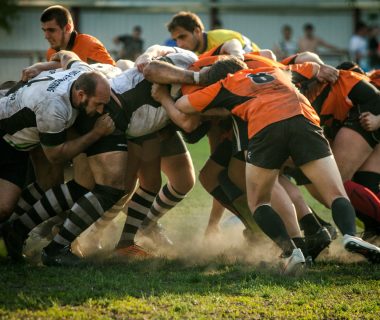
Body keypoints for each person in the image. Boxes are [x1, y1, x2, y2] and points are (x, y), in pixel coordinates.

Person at [155, 56, 380, 270]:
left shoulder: (224, 85)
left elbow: (184, 107)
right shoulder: (273, 69)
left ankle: (292, 252)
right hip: (304, 121)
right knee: (336, 193)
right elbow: (312, 68)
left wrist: (165, 98)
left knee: (259, 202)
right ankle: (350, 235)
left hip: (265, 129)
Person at [41, 5, 115, 65]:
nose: (46, 36)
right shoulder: (51, 53)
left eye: (52, 30)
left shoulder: (89, 46)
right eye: (44, 30)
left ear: (67, 28)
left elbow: (112, 73)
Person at [166, 11, 260, 57]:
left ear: (197, 31)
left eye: (182, 37)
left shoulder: (224, 39)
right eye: (175, 40)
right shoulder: (194, 53)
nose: (179, 44)